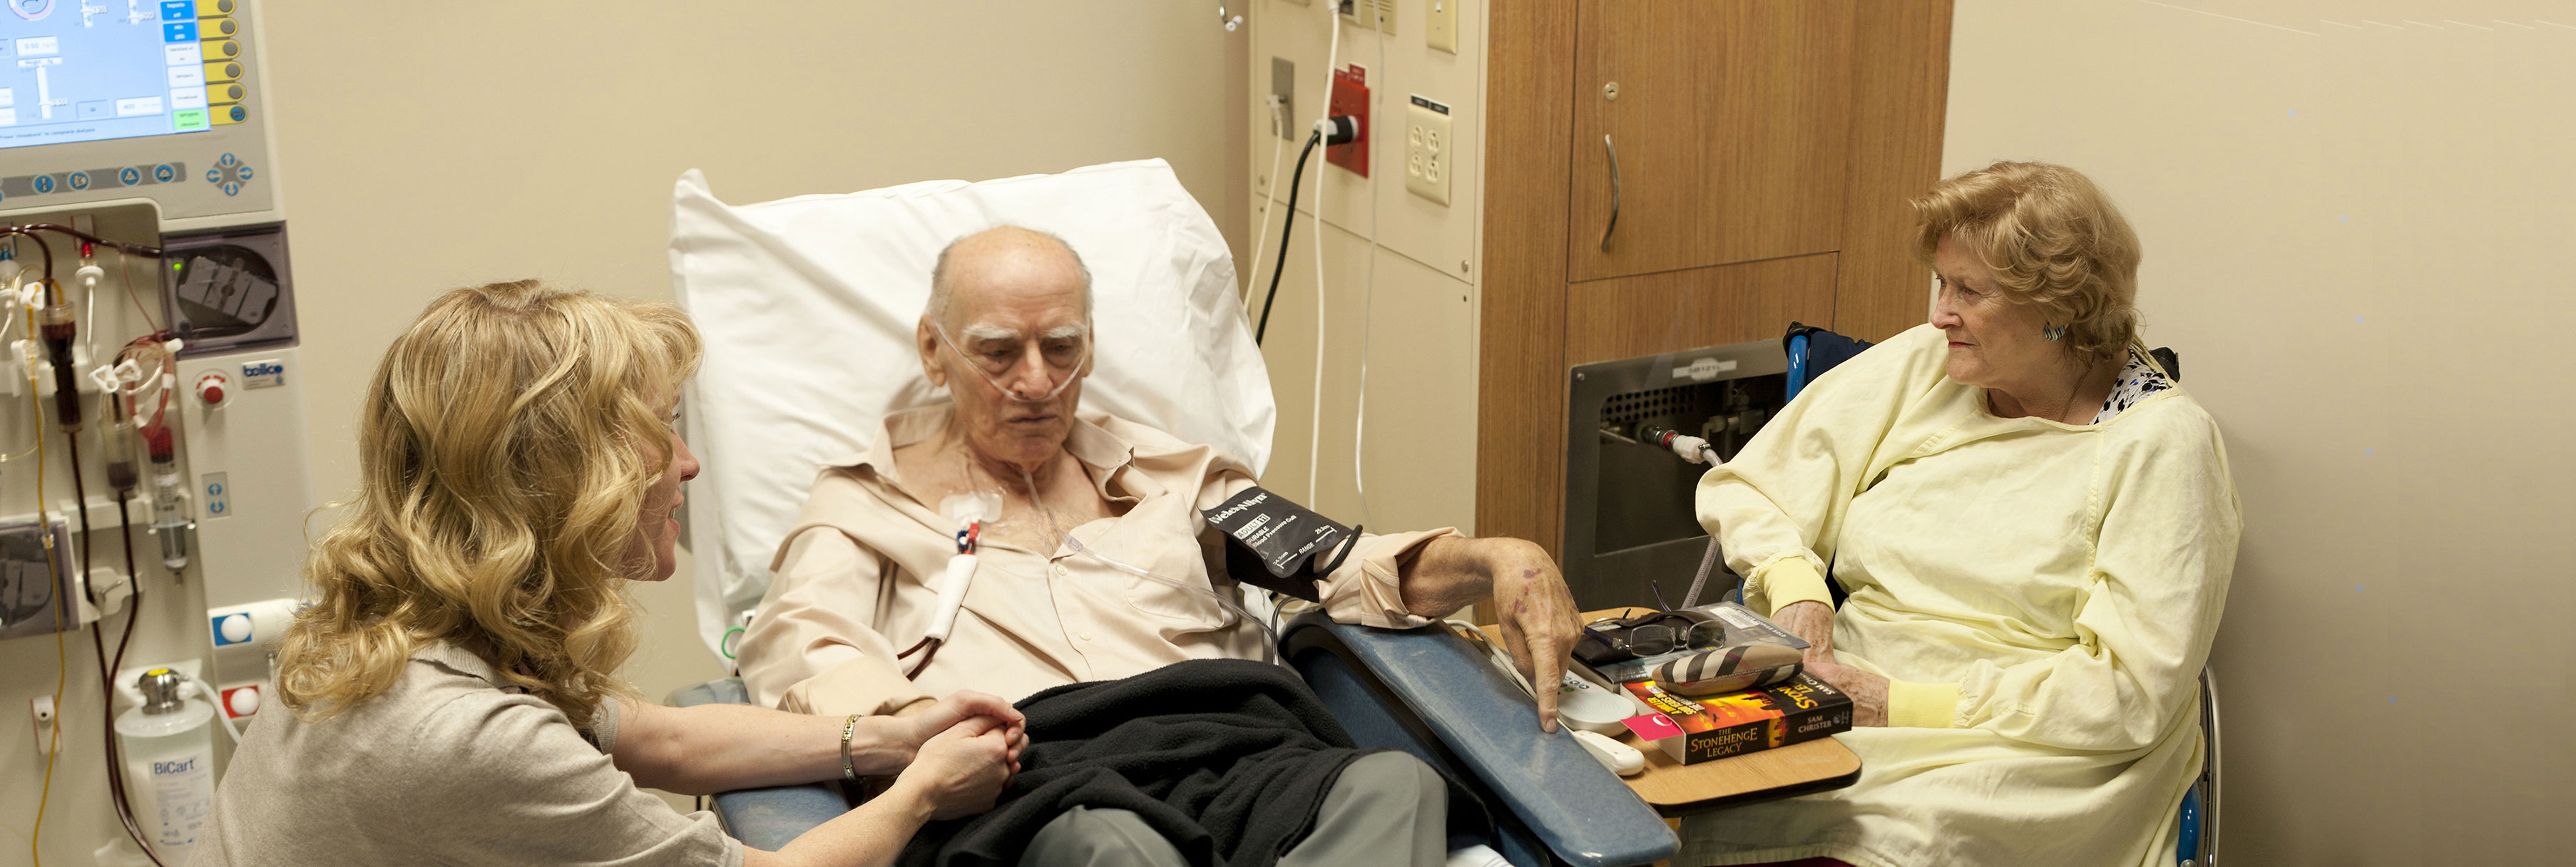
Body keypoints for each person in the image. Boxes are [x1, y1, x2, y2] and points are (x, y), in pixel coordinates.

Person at [735, 226, 1583, 866]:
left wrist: (1498, 558)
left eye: (1060, 347)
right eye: (998, 351)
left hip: (1236, 745)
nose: (1035, 382)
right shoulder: (865, 504)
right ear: (935, 349)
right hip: (1041, 777)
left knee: (1396, 783)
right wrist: (918, 736)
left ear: (1090, 346)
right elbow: (806, 658)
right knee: (1113, 847)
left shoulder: (1171, 479)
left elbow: (1342, 561)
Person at [193, 282, 1028, 867]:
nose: (690, 465)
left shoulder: (401, 628)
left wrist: (890, 736)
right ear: (566, 478)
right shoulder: (466, 739)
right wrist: (920, 792)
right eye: (662, 430)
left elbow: (659, 736)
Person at [1680, 162, 2240, 866]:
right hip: (1840, 689)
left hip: (2030, 751)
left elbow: (2127, 694)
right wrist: (1797, 589)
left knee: (1903, 842)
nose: (1940, 313)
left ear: (2060, 308)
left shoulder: (2162, 446)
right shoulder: (1926, 366)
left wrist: (1900, 702)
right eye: (1942, 283)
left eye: (1969, 291)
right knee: (1674, 794)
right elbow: (1751, 486)